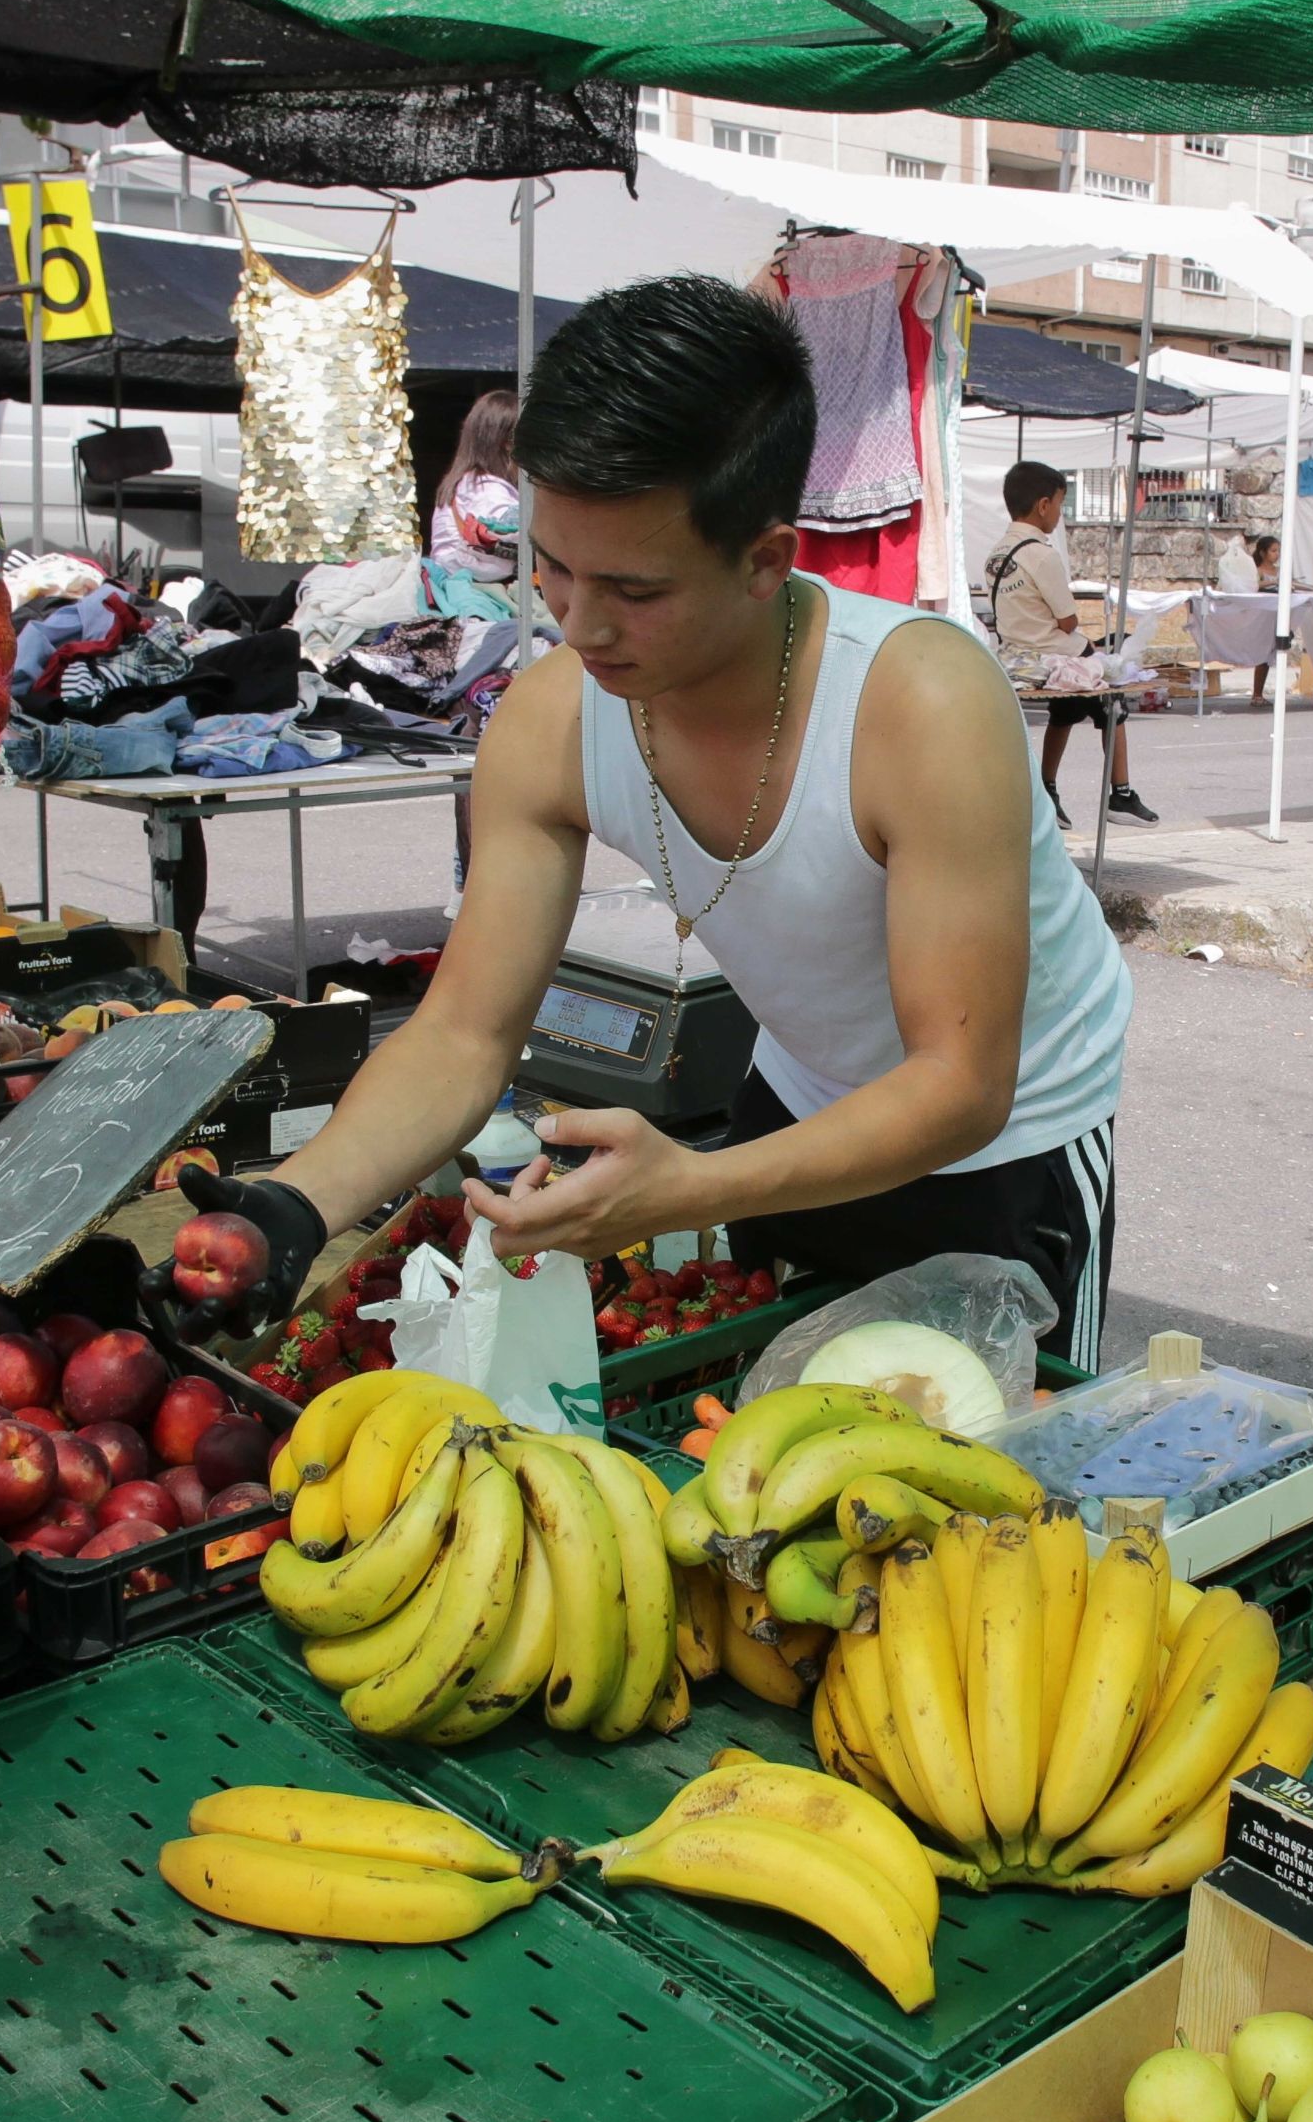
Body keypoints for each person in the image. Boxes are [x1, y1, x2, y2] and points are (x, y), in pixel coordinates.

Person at [176, 274, 1131, 1367]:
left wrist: (691, 1180)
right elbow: (461, 1033)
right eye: (552, 567)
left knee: (992, 1473)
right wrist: (295, 1203)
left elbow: (959, 1085)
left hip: (1005, 1146)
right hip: (801, 1097)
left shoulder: (920, 707)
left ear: (764, 559)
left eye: (632, 590)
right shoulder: (549, 721)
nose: (578, 624)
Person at [985, 461, 1156, 829]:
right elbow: (1068, 621)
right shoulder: (1042, 555)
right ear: (1044, 505)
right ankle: (1121, 793)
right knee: (1113, 703)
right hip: (1055, 654)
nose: (1060, 514)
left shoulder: (996, 555)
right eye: (1061, 505)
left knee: (1066, 710)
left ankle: (1047, 787)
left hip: (1014, 655)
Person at [430, 388, 523, 582]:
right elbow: (517, 542)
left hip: (452, 585)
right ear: (507, 442)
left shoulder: (464, 483)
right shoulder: (489, 490)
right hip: (479, 591)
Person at [1249, 533, 1285, 706]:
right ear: (1263, 553)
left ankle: (1260, 693)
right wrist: (1276, 583)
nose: (1277, 554)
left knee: (1271, 652)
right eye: (1273, 551)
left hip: (1276, 616)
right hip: (1261, 616)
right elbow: (1252, 585)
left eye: (1278, 551)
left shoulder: (1280, 571)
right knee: (1262, 653)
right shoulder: (1257, 571)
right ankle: (1256, 693)